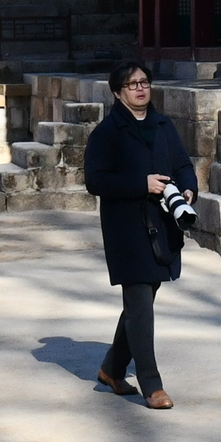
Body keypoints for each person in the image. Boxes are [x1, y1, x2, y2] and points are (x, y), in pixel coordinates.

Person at [82, 60, 197, 409]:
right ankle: (152, 384)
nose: (141, 88)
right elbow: (95, 180)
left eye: (144, 82)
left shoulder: (163, 125)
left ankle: (112, 369)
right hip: (126, 227)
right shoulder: (107, 133)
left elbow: (182, 165)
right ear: (118, 93)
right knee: (140, 303)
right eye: (132, 84)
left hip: (161, 224)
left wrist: (189, 189)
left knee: (140, 304)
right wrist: (140, 183)